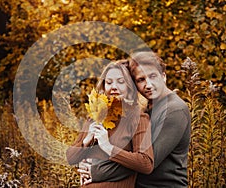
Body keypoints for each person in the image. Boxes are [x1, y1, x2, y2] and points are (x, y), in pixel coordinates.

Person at [78, 51, 191, 187]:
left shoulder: (174, 111)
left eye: (153, 76)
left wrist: (96, 172)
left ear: (163, 76)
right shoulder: (149, 107)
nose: (148, 85)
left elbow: (146, 161)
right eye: (140, 80)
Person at [66, 60, 154, 187]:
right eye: (109, 82)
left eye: (120, 82)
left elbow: (146, 164)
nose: (114, 87)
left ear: (129, 87)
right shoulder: (95, 117)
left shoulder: (138, 118)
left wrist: (108, 147)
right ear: (103, 86)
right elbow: (70, 158)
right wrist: (85, 141)